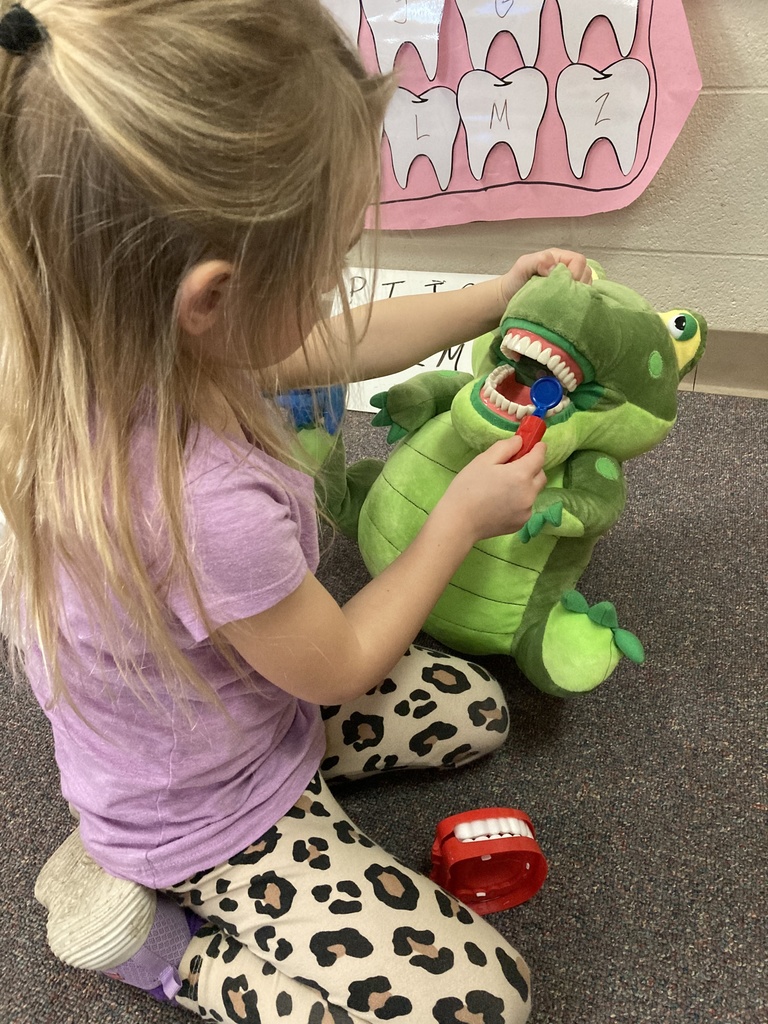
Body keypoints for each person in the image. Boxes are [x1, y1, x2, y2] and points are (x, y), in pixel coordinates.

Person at [0, 1, 592, 1021]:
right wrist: (458, 514)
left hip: (238, 715)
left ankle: (158, 821)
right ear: (213, 298)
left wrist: (491, 297)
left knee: (478, 710)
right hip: (210, 812)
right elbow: (344, 662)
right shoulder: (197, 499)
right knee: (484, 1000)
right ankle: (165, 947)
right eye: (324, 263)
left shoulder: (125, 338)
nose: (333, 287)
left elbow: (338, 345)